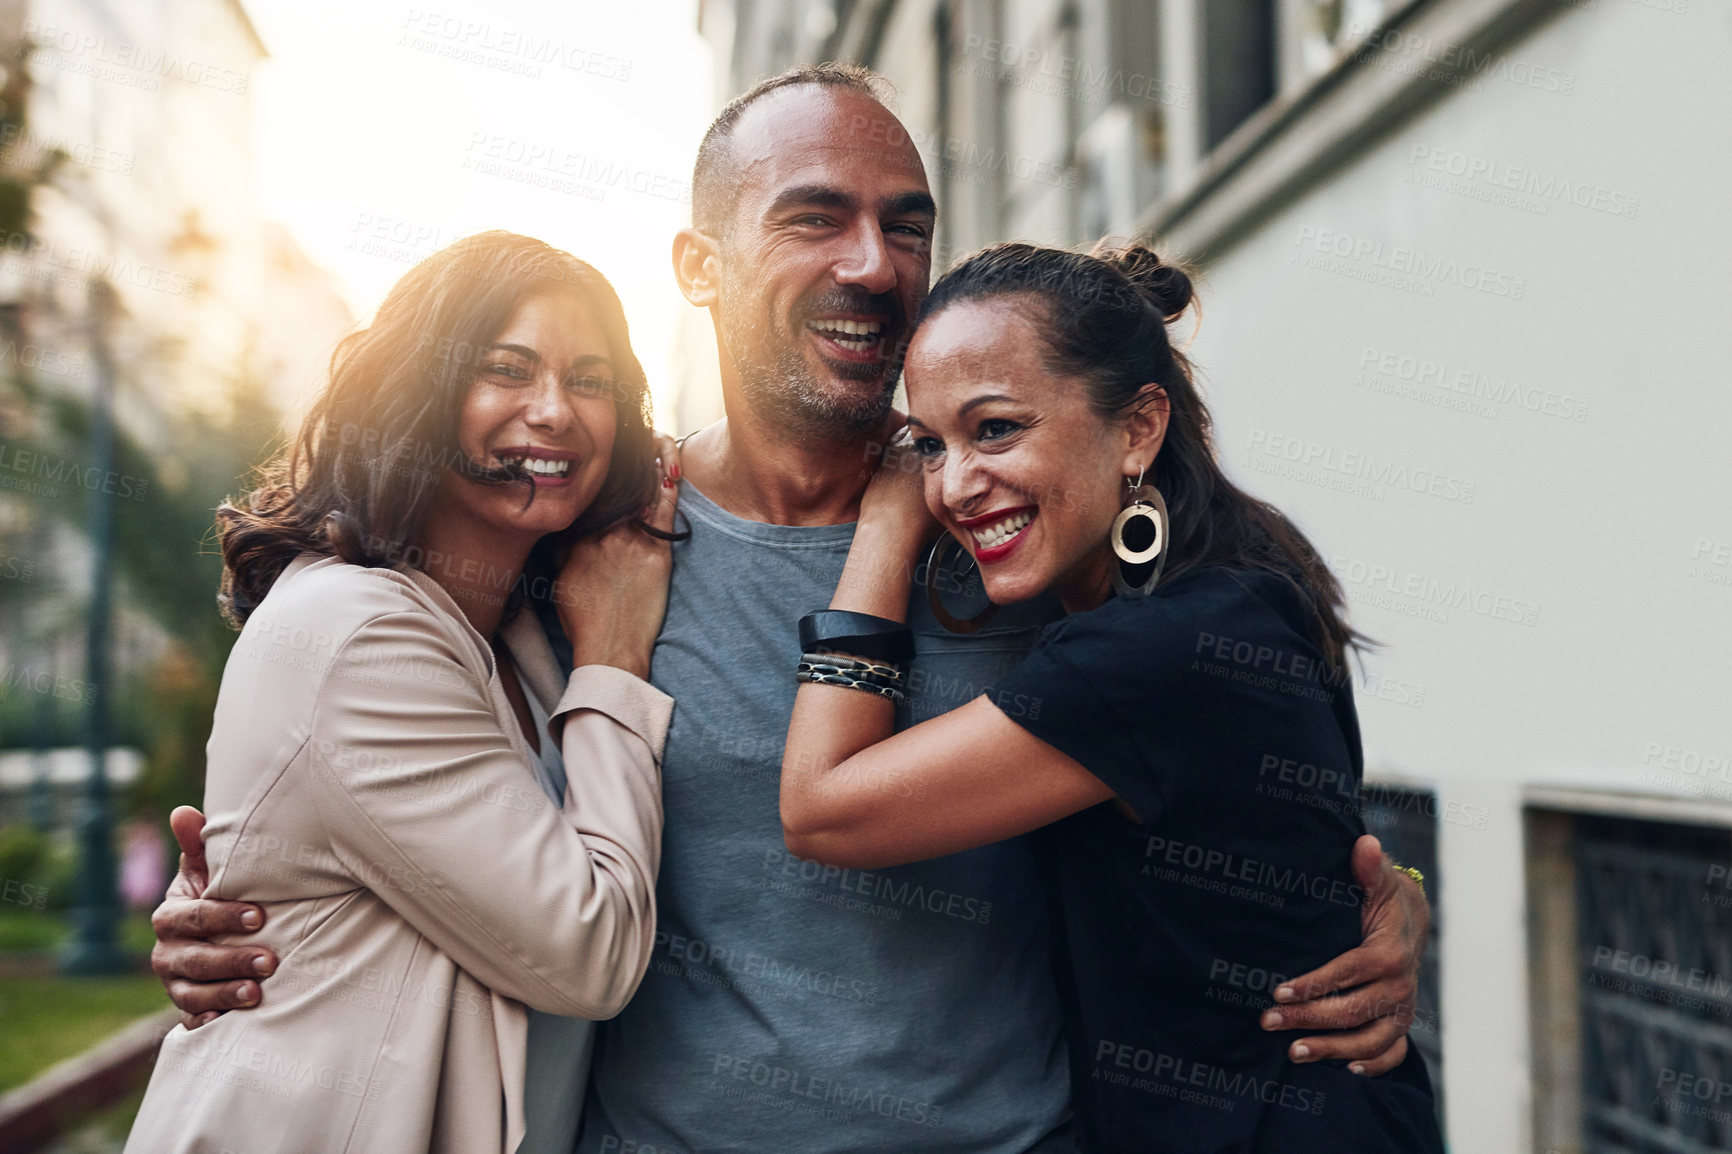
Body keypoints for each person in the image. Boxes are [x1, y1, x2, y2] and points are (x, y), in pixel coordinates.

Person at [148, 67, 1433, 1154]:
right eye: (815, 218)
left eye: (905, 225)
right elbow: (387, 754)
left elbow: (1222, 761)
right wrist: (247, 912)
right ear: (700, 265)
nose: (872, 265)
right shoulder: (590, 538)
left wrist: (1374, 903)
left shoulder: (1014, 529)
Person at [779, 239, 1445, 1152]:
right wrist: (1398, 894)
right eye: (928, 445)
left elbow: (822, 810)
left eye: (997, 429)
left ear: (1137, 428)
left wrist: (886, 529)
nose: (954, 485)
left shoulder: (1158, 648)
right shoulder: (1240, 584)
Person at [125, 232, 679, 1154]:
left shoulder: (513, 635)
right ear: (422, 393)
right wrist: (617, 660)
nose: (555, 412)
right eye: (506, 369)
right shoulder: (363, 633)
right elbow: (588, 950)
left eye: (591, 380)